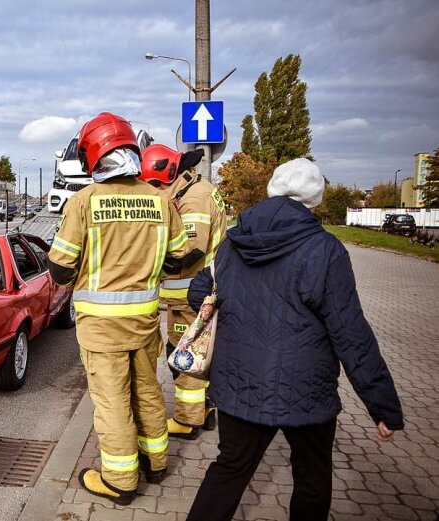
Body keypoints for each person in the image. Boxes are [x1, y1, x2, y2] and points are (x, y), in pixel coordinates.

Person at [185, 158, 404, 521]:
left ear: (271, 189)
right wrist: (382, 405)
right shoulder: (325, 250)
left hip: (240, 383)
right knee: (312, 476)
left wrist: (237, 313)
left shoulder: (234, 242)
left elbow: (199, 294)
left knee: (230, 470)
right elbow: (351, 333)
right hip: (307, 390)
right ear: (315, 199)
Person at [47, 112, 192, 505]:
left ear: (93, 155)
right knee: (147, 390)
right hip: (145, 322)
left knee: (112, 402)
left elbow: (60, 269)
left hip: (101, 329)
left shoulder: (84, 202)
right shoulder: (160, 200)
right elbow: (179, 260)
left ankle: (120, 480)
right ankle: (157, 463)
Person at [139, 144, 227, 440]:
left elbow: (190, 252)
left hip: (192, 297)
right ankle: (205, 409)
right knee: (197, 354)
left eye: (155, 185)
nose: (154, 191)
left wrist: (149, 263)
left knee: (185, 356)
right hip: (195, 295)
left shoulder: (194, 200)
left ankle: (187, 420)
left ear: (171, 175)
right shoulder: (193, 191)